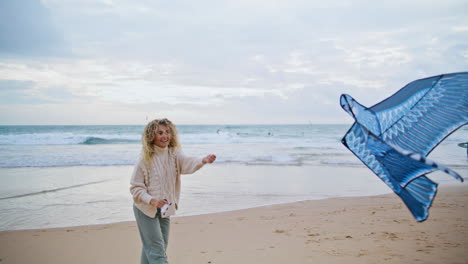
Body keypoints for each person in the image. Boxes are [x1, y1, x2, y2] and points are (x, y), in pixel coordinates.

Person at [130, 118, 216, 264]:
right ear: (152, 136)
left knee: (155, 249)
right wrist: (151, 200)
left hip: (165, 208)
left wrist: (202, 160)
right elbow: (135, 188)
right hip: (145, 209)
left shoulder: (174, 154)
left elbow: (187, 163)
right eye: (160, 133)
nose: (165, 136)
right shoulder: (144, 160)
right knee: (157, 251)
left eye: (167, 132)